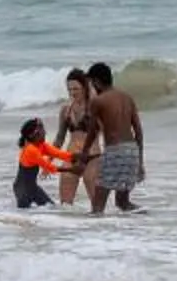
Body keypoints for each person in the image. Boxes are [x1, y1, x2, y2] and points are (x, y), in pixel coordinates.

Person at [87, 61, 145, 213]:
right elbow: (138, 131)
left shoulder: (98, 101)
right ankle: (145, 218)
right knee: (123, 203)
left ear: (96, 81)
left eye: (92, 84)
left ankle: (95, 236)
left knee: (97, 205)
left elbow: (92, 131)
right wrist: (140, 161)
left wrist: (84, 152)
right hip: (132, 151)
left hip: (115, 151)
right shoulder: (127, 98)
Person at [53, 68, 98, 207]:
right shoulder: (66, 110)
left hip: (93, 157)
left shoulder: (96, 107)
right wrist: (47, 161)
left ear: (85, 87)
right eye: (70, 89)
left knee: (97, 206)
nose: (72, 93)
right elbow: (59, 138)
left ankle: (102, 228)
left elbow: (111, 133)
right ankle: (69, 228)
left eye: (76, 89)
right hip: (71, 157)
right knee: (65, 206)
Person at [12, 118, 62, 209]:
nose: (45, 133)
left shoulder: (34, 146)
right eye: (41, 130)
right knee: (23, 215)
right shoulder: (31, 150)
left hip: (31, 188)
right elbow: (50, 167)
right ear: (33, 135)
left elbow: (58, 154)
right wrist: (72, 170)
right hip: (22, 189)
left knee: (52, 208)